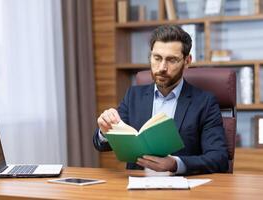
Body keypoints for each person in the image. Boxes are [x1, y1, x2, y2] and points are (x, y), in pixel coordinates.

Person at [93, 25, 229, 175]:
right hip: (137, 187)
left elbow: (219, 158)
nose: (162, 67)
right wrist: (105, 131)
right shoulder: (134, 96)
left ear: (187, 61)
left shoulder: (204, 102)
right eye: (157, 58)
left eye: (172, 60)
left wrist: (175, 164)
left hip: (182, 188)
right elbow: (102, 145)